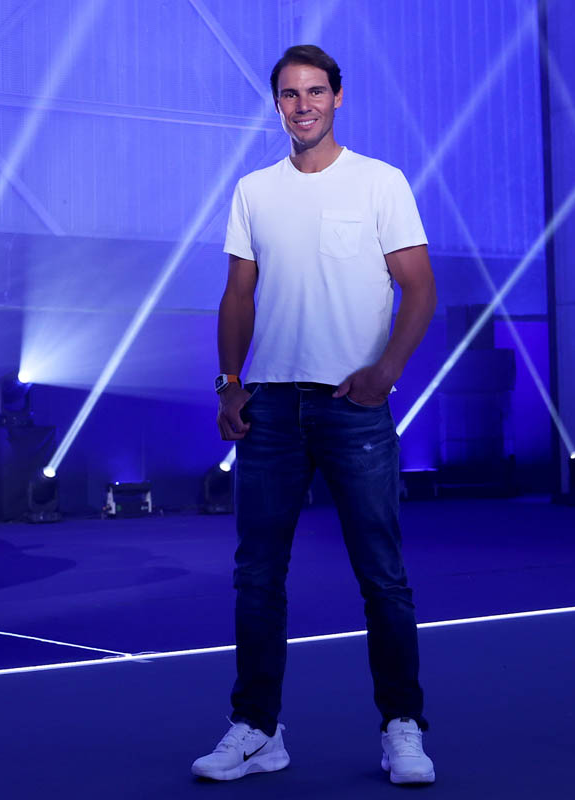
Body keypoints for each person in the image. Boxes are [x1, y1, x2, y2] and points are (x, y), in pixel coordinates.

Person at [192, 44, 438, 785]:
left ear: (338, 97)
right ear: (277, 105)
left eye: (315, 92)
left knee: (382, 576)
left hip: (352, 407)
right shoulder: (253, 191)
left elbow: (420, 288)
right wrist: (228, 385)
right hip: (269, 409)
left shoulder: (380, 182)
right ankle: (257, 730)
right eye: (289, 95)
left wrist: (385, 372)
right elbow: (238, 295)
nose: (302, 105)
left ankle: (401, 728)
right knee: (256, 577)